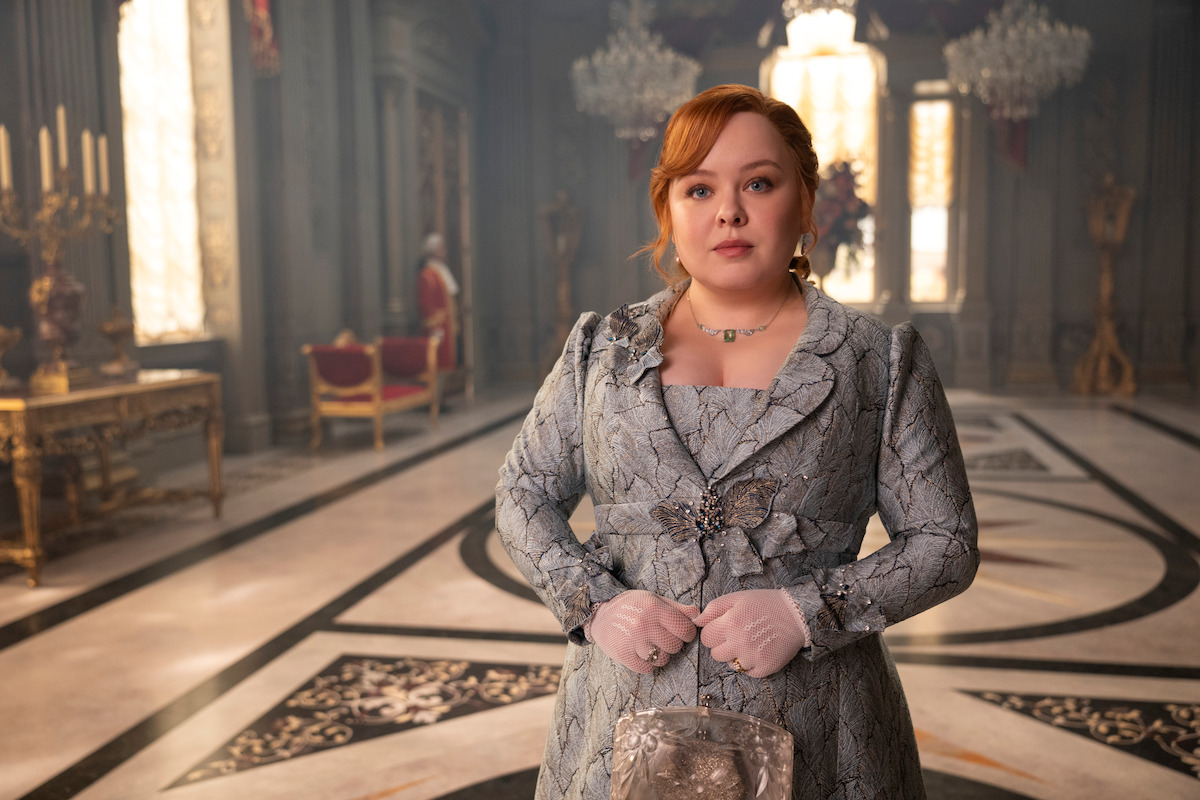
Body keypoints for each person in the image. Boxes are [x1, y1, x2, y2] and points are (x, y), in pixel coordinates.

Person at [495, 84, 978, 799]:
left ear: (806, 203)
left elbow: (946, 541)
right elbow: (523, 492)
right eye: (699, 189)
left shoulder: (876, 357)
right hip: (623, 708)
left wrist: (806, 612)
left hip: (822, 721)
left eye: (758, 183)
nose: (728, 211)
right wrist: (595, 604)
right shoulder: (603, 348)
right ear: (667, 210)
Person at [417, 232, 459, 370]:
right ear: (433, 251)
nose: (444, 251)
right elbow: (425, 302)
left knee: (447, 362)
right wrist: (434, 328)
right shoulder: (428, 275)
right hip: (438, 326)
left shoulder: (440, 270)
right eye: (440, 248)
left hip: (446, 323)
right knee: (438, 363)